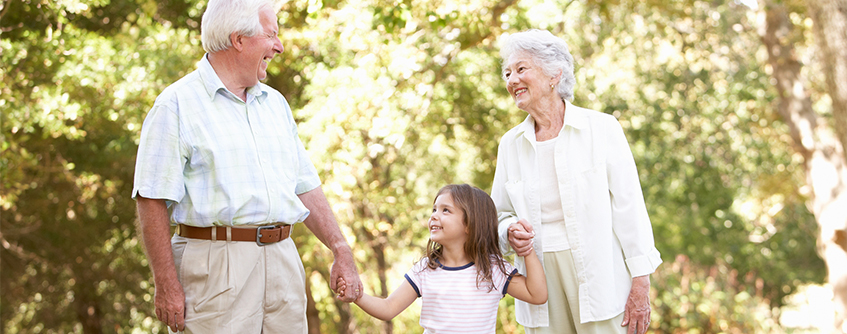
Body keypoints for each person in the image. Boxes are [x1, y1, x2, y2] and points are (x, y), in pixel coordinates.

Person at [131, 0, 362, 332]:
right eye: (271, 35)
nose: (279, 47)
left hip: (283, 261)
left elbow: (305, 185)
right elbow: (151, 199)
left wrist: (340, 247)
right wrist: (165, 284)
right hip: (214, 269)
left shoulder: (275, 105)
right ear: (238, 39)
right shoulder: (176, 105)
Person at [491, 29, 663, 334]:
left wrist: (640, 280)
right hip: (538, 278)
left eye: (520, 69)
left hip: (600, 277)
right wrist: (508, 231)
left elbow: (629, 207)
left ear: (554, 75)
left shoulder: (602, 128)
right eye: (507, 73)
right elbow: (498, 214)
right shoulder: (510, 144)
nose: (511, 80)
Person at [336, 184, 547, 333]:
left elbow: (537, 294)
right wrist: (357, 296)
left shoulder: (492, 270)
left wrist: (526, 251)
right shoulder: (425, 270)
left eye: (446, 210)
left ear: (470, 224)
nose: (434, 215)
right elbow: (389, 308)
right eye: (434, 209)